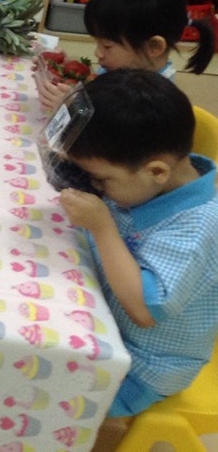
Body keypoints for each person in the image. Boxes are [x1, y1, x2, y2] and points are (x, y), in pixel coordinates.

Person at [58, 69, 218, 445]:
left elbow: (144, 309)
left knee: (35, 383)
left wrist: (102, 227)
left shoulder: (198, 227)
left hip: (144, 368)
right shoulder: (150, 182)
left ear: (157, 171)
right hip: (106, 322)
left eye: (102, 180)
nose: (96, 186)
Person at [37, 0, 215, 110]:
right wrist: (66, 68)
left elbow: (108, 136)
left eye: (107, 46)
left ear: (153, 47)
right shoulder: (126, 68)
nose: (98, 53)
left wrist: (71, 108)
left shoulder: (151, 101)